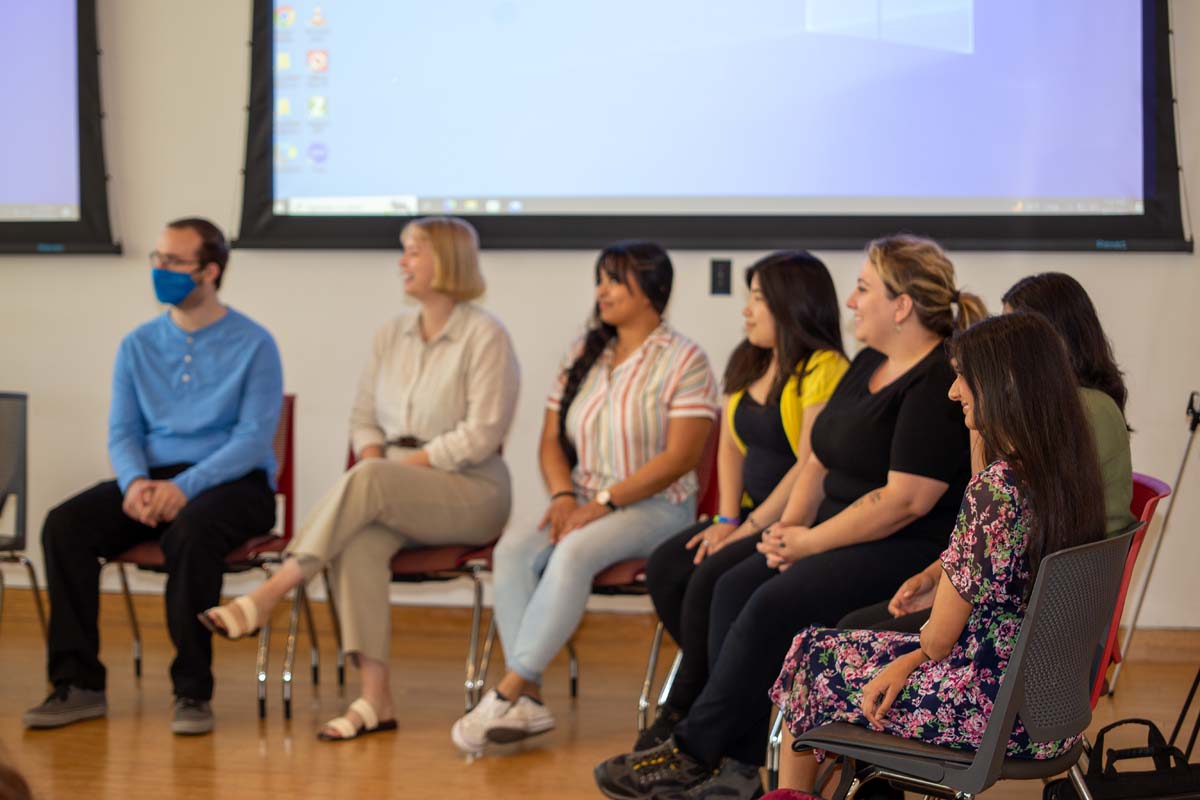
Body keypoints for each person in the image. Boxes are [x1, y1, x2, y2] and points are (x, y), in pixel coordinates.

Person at [595, 234, 986, 800]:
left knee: (769, 605)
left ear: (901, 306)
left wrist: (808, 543)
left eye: (863, 289)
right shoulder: (869, 362)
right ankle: (736, 759)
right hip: (833, 532)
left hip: (899, 547)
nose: (850, 302)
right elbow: (817, 459)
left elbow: (905, 501)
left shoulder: (932, 381)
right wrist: (786, 530)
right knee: (729, 583)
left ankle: (695, 753)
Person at [203, 216, 520, 741]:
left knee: (370, 477)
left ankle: (271, 592)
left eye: (413, 251)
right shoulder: (391, 335)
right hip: (391, 487)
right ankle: (375, 700)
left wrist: (388, 469)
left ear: (446, 259)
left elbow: (480, 436)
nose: (402, 262)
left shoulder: (486, 336)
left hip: (471, 489)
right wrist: (379, 462)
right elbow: (364, 419)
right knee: (357, 541)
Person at [770, 312, 1106, 793]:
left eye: (964, 377)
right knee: (829, 651)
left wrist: (906, 662)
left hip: (982, 707)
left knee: (811, 659)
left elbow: (939, 640)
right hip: (1044, 709)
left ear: (1004, 383)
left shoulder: (996, 492)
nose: (952, 392)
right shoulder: (1068, 474)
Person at [451, 241, 719, 754]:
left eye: (615, 280)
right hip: (581, 502)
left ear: (652, 291)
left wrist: (605, 502)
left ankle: (507, 690)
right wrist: (561, 495)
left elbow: (681, 457)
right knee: (513, 548)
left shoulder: (685, 358)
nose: (602, 291)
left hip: (659, 508)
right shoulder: (584, 352)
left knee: (572, 551)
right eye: (600, 280)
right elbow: (551, 439)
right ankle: (529, 699)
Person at [23, 218, 283, 736]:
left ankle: (192, 691)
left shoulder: (255, 343)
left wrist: (184, 488)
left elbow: (253, 439)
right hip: (153, 480)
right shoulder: (137, 344)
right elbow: (123, 431)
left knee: (192, 530)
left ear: (210, 271)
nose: (160, 270)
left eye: (174, 262)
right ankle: (77, 683)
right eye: (157, 259)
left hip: (234, 482)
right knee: (65, 525)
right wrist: (135, 484)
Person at [840, 271, 1135, 638]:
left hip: (1037, 606)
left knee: (850, 633)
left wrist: (982, 413)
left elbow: (991, 510)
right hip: (1027, 591)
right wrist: (937, 577)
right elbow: (986, 529)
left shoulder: (1075, 413)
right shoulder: (1063, 413)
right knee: (854, 625)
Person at [637, 251, 848, 749]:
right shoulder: (749, 359)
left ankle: (690, 704)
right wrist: (728, 519)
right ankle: (722, 682)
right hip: (749, 514)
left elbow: (809, 464)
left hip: (797, 517)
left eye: (757, 299)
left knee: (711, 577)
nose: (746, 311)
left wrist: (749, 530)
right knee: (668, 565)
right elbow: (731, 448)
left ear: (791, 303)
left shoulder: (825, 367)